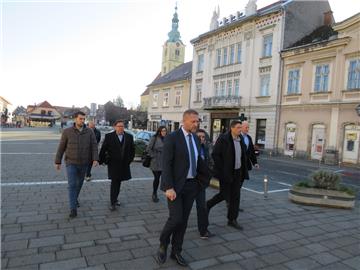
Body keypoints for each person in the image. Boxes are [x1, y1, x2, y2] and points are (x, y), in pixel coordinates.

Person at [157, 109, 207, 267]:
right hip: (175, 186)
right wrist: (169, 187)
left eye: (197, 121)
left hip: (192, 185)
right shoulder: (172, 138)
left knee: (184, 221)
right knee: (175, 218)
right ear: (184, 121)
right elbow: (166, 164)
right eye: (193, 121)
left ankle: (176, 251)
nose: (196, 123)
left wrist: (204, 179)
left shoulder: (196, 139)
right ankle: (163, 242)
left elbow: (198, 161)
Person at [55, 111, 99, 218]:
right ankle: (73, 208)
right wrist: (58, 161)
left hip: (84, 163)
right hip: (71, 162)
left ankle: (75, 199)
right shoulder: (67, 132)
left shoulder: (89, 132)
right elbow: (61, 147)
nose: (82, 121)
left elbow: (94, 146)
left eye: (84, 119)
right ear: (75, 119)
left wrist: (95, 159)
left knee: (79, 184)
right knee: (72, 185)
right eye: (80, 119)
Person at [206, 120, 249, 230]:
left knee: (235, 196)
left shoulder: (241, 139)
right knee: (224, 195)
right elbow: (215, 154)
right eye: (239, 127)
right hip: (226, 172)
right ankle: (208, 205)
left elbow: (243, 155)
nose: (241, 129)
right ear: (232, 128)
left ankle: (232, 219)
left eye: (241, 127)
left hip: (238, 172)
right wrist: (222, 170)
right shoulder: (224, 139)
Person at [99, 120, 135, 211]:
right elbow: (103, 149)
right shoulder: (109, 136)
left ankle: (115, 199)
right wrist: (101, 160)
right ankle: (112, 202)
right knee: (114, 182)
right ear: (115, 127)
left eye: (122, 126)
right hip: (113, 164)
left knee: (119, 182)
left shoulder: (129, 137)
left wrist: (129, 161)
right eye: (119, 126)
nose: (121, 128)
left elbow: (132, 150)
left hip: (124, 165)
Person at [195, 129, 214, 239]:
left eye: (203, 137)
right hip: (190, 183)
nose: (201, 139)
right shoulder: (191, 148)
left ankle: (203, 230)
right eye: (199, 137)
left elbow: (211, 162)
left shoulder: (205, 149)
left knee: (202, 207)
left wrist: (209, 175)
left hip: (201, 183)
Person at [147, 126, 167, 203]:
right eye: (162, 131)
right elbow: (148, 148)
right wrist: (154, 156)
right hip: (156, 161)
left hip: (164, 161)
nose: (164, 132)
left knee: (165, 178)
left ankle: (167, 191)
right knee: (157, 178)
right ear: (159, 131)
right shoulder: (154, 138)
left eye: (165, 131)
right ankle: (154, 193)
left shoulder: (167, 138)